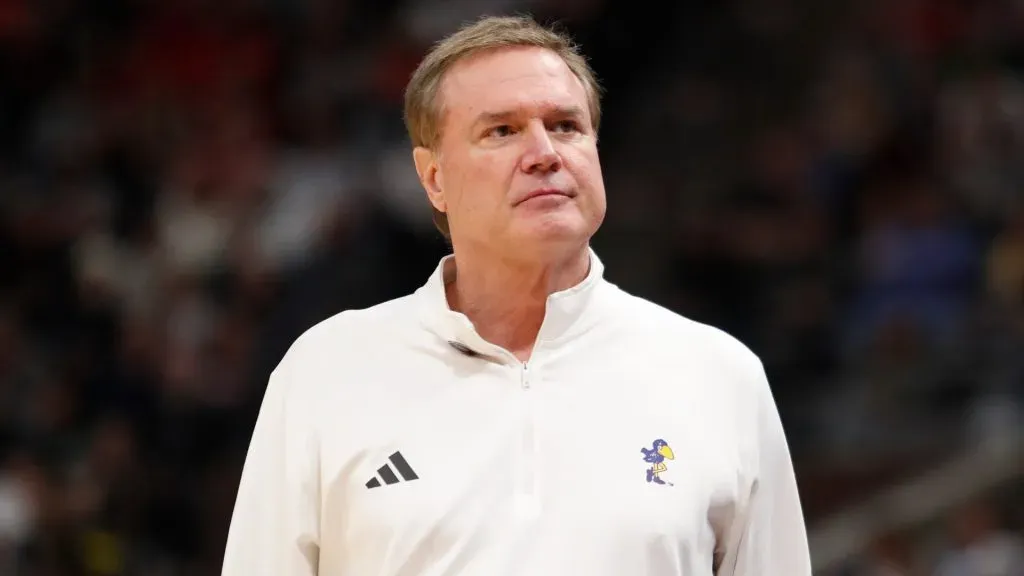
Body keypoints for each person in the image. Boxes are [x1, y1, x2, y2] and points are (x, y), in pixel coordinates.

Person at [221, 14, 813, 576]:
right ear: (434, 179)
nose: (545, 154)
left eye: (565, 126)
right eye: (501, 131)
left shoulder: (719, 376)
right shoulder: (327, 370)